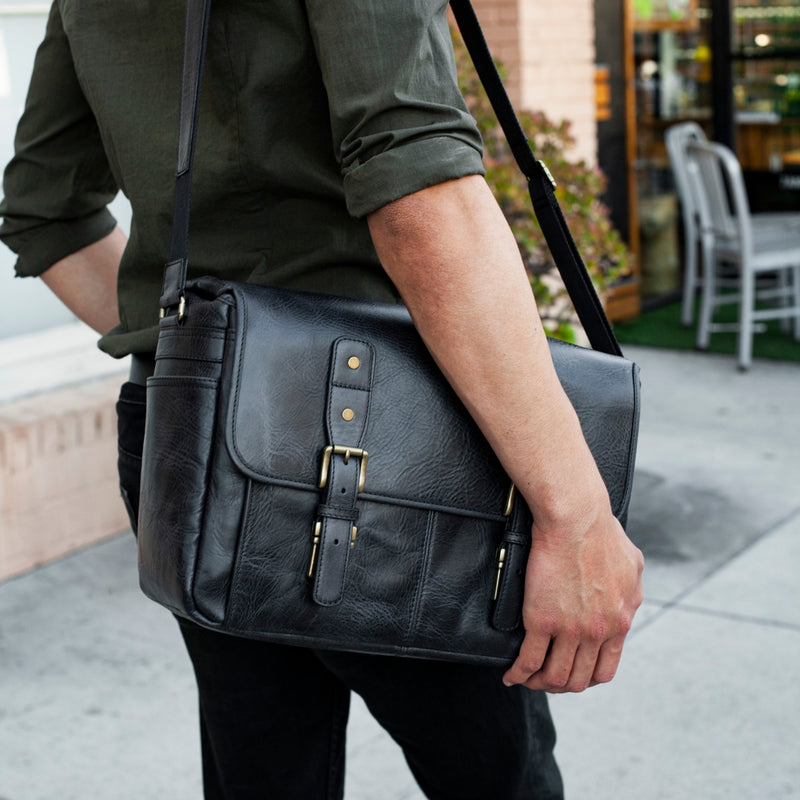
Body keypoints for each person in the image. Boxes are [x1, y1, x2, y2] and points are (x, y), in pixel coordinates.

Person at [0, 1, 644, 798]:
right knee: (495, 778)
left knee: (263, 774)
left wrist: (213, 369)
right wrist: (577, 513)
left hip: (197, 452)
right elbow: (418, 197)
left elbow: (44, 209)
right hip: (409, 455)